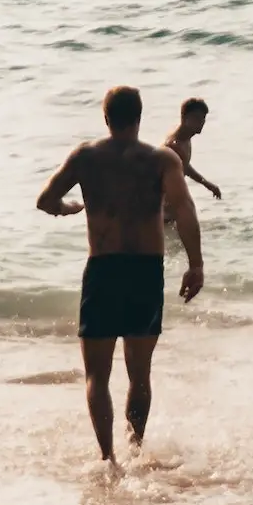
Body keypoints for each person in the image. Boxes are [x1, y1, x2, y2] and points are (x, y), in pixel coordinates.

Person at [37, 86, 204, 462]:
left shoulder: (85, 157)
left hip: (103, 270)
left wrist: (68, 209)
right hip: (146, 272)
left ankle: (108, 459)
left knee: (97, 376)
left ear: (106, 118)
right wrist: (196, 264)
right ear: (140, 118)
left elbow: (45, 199)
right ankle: (135, 449)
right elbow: (185, 209)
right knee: (139, 374)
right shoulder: (163, 160)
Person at [165, 97, 222, 204]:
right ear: (184, 118)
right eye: (196, 118)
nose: (201, 122)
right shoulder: (174, 145)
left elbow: (184, 165)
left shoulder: (185, 138)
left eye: (203, 118)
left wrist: (207, 184)